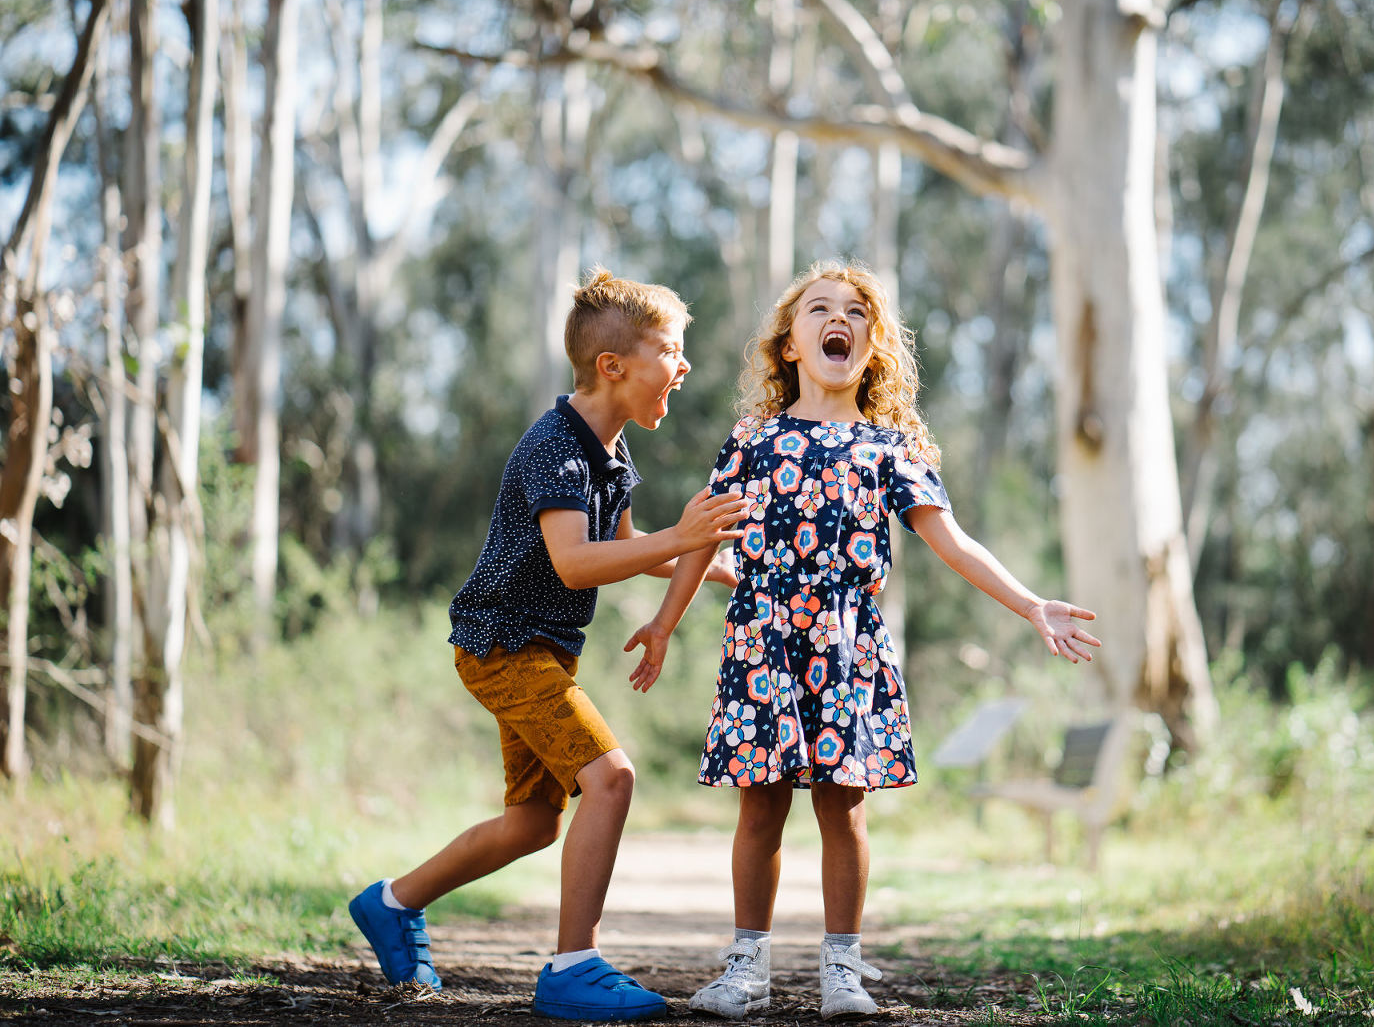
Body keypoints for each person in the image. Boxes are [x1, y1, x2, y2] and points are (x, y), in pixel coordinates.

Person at [624, 261, 1102, 1021]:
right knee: (761, 807)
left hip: (847, 646)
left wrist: (1031, 604)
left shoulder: (891, 448)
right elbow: (699, 540)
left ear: (872, 345)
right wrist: (662, 625)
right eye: (817, 309)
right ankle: (747, 964)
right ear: (790, 345)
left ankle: (841, 968)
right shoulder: (753, 438)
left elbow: (955, 543)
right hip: (763, 641)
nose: (835, 318)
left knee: (844, 810)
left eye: (853, 311)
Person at [348, 268, 749, 1023]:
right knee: (612, 779)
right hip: (504, 646)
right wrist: (679, 534)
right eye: (672, 350)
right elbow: (573, 559)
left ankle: (393, 902)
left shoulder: (612, 454)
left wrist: (715, 562)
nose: (685, 366)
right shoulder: (556, 447)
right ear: (613, 366)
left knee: (534, 822)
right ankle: (572, 966)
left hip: (540, 649)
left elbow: (624, 546)